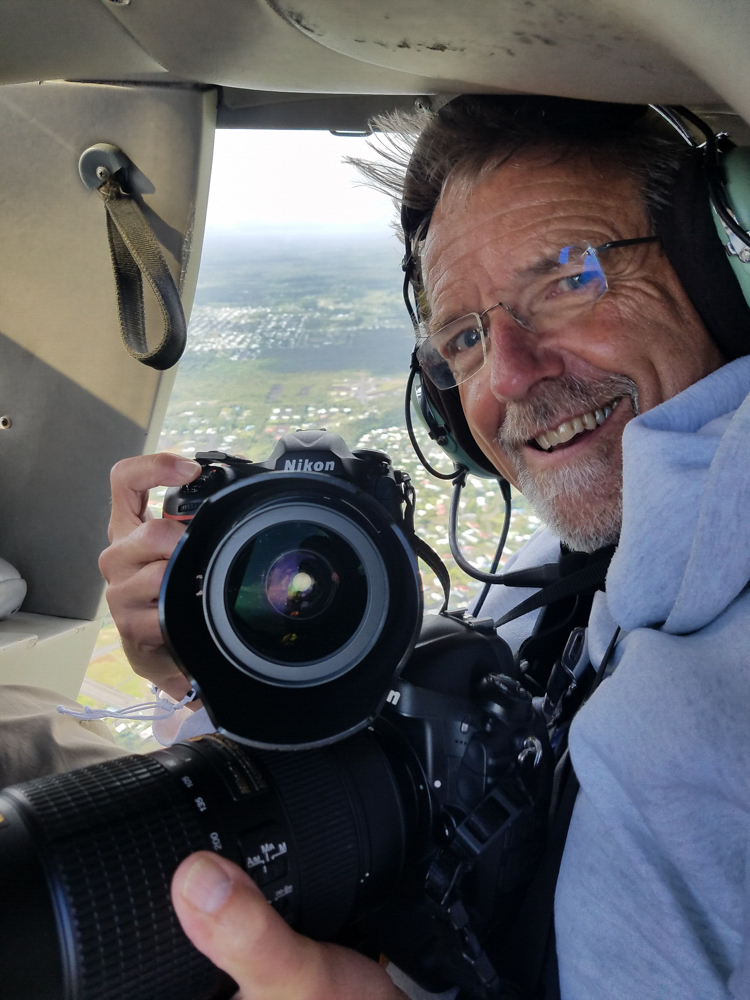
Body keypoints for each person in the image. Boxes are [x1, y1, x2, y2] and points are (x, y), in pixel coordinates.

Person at [100, 97, 750, 999]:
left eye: (568, 278)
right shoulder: (549, 588)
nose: (512, 375)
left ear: (723, 267)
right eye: (466, 337)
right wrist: (207, 666)